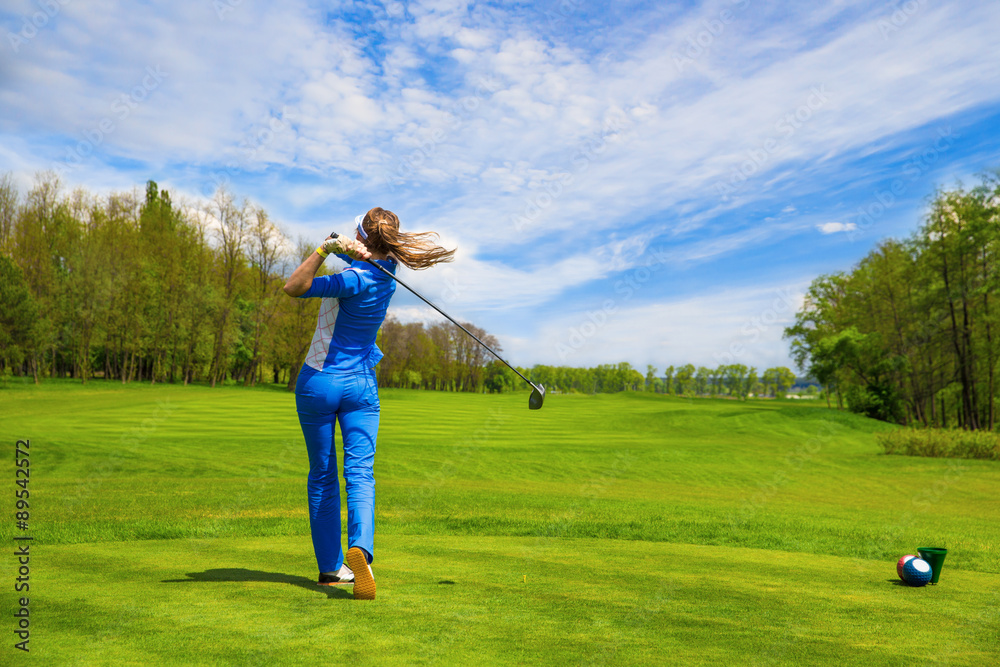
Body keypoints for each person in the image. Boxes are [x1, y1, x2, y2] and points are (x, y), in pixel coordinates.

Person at [282, 207, 455, 600]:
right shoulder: (389, 274)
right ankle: (360, 549)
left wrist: (324, 248)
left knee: (323, 475)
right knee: (360, 473)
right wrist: (348, 247)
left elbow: (294, 286)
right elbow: (369, 259)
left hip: (320, 382)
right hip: (362, 386)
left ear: (361, 237)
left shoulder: (349, 280)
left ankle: (330, 568)